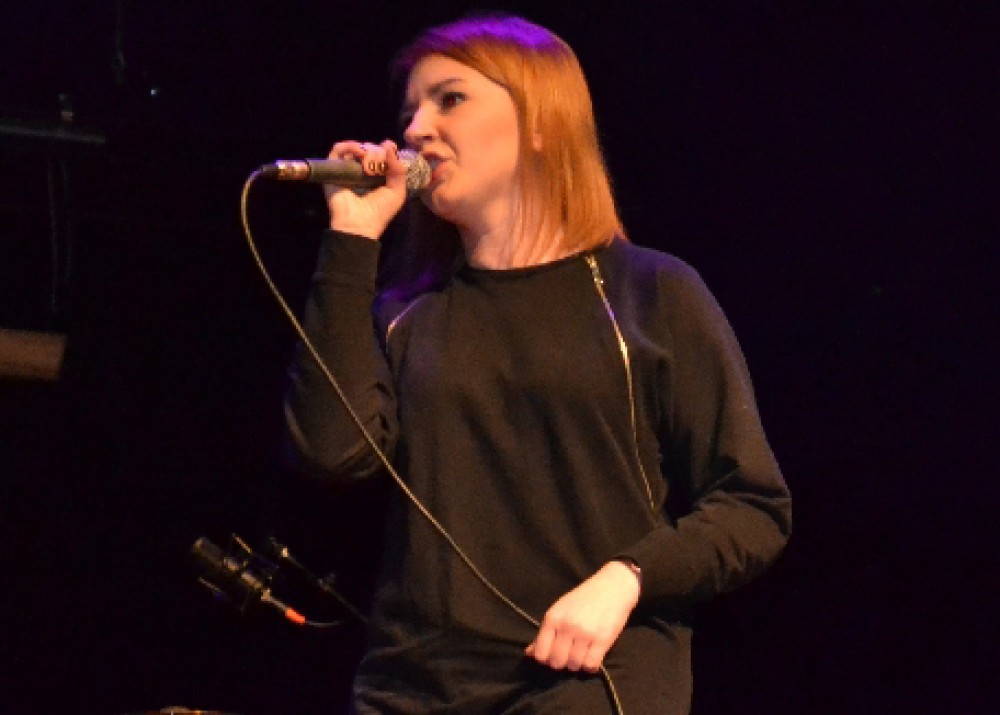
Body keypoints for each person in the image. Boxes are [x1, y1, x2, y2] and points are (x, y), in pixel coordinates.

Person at [284, 13, 791, 715]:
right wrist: (351, 237)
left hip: (586, 683)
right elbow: (332, 453)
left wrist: (627, 575)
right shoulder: (407, 312)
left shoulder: (649, 293)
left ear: (542, 123)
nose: (416, 130)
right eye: (410, 113)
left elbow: (752, 506)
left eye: (449, 99)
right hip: (412, 691)